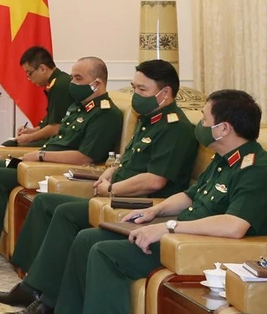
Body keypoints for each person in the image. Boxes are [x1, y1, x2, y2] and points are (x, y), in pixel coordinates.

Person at [34, 89, 267, 314]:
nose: (200, 125)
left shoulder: (255, 168)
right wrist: (155, 211)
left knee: (105, 253)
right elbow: (190, 196)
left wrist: (169, 227)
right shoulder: (223, 159)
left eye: (205, 119)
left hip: (197, 247)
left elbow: (234, 226)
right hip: (179, 234)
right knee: (87, 238)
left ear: (223, 128)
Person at [0, 59, 197, 311]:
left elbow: (154, 180)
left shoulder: (175, 128)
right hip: (113, 196)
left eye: (141, 90)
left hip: (137, 204)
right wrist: (112, 171)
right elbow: (130, 162)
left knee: (68, 216)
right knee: (47, 202)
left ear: (164, 93)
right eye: (134, 88)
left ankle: (46, 300)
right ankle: (33, 285)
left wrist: (112, 189)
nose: (135, 95)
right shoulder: (149, 119)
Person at [0, 56, 123, 270]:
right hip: (38, 161)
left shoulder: (106, 114)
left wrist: (41, 156)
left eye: (78, 78)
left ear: (97, 83)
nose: (71, 83)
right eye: (72, 77)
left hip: (52, 168)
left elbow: (84, 158)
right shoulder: (78, 108)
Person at [2, 47, 73, 147]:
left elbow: (56, 127)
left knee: (11, 146)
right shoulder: (56, 82)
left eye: (29, 73)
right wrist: (31, 131)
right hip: (58, 137)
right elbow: (50, 122)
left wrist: (29, 137)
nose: (28, 79)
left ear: (42, 69)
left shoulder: (60, 85)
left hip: (65, 141)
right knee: (10, 144)